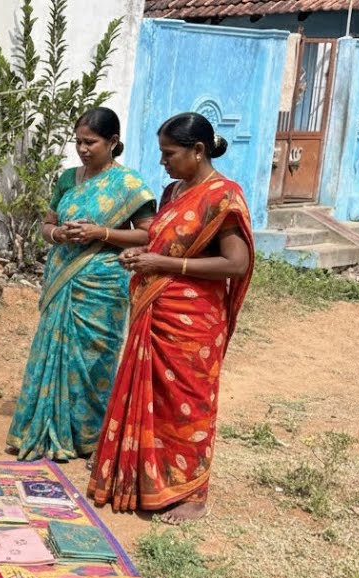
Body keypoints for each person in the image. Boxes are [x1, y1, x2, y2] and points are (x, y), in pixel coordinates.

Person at [88, 112, 254, 524]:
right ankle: (143, 477)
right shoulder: (172, 191)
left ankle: (191, 493)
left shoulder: (223, 197)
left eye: (169, 153)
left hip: (193, 320)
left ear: (197, 151)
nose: (162, 161)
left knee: (186, 403)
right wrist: (140, 254)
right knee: (155, 398)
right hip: (156, 309)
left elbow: (235, 264)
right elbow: (162, 241)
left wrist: (163, 264)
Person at [6, 108, 156, 461]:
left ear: (112, 142)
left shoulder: (130, 185)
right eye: (78, 142)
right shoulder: (67, 179)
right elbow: (46, 225)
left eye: (91, 142)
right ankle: (41, 428)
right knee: (51, 352)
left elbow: (148, 234)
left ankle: (87, 435)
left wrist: (100, 232)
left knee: (92, 360)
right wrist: (58, 233)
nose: (83, 149)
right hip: (63, 277)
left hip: (102, 283)